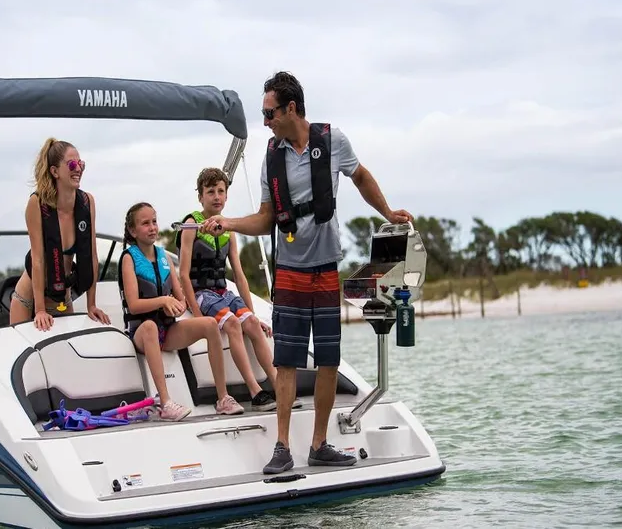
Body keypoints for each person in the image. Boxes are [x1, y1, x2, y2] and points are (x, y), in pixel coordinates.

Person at [201, 71, 414, 474]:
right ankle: (281, 447)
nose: (265, 121)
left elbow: (361, 177)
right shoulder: (272, 157)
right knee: (287, 362)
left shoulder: (333, 141)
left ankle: (319, 444)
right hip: (290, 272)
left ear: (291, 108)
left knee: (329, 360)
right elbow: (267, 219)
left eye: (269, 113)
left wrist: (387, 212)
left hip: (326, 270)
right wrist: (228, 223)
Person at [119, 202, 245, 419]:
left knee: (210, 324)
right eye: (145, 223)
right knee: (149, 326)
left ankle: (223, 398)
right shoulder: (129, 259)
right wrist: (162, 302)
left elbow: (180, 298)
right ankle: (165, 403)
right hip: (142, 332)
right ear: (132, 231)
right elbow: (134, 305)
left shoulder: (164, 257)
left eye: (154, 222)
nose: (152, 227)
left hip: (167, 330)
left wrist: (177, 306)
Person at [176, 167, 281, 412]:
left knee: (252, 324)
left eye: (221, 191)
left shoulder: (228, 231)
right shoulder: (191, 226)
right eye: (210, 191)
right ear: (200, 197)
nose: (216, 196)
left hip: (223, 292)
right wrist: (197, 315)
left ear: (226, 195)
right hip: (202, 294)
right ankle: (255, 391)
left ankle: (279, 385)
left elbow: (240, 276)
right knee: (233, 324)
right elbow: (183, 274)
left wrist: (253, 313)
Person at [10, 137, 111, 331]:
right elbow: (38, 259)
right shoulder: (37, 204)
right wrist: (39, 310)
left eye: (81, 164)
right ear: (54, 171)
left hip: (61, 299)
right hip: (29, 299)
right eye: (72, 164)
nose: (78, 169)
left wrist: (91, 305)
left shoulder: (87, 202)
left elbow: (91, 256)